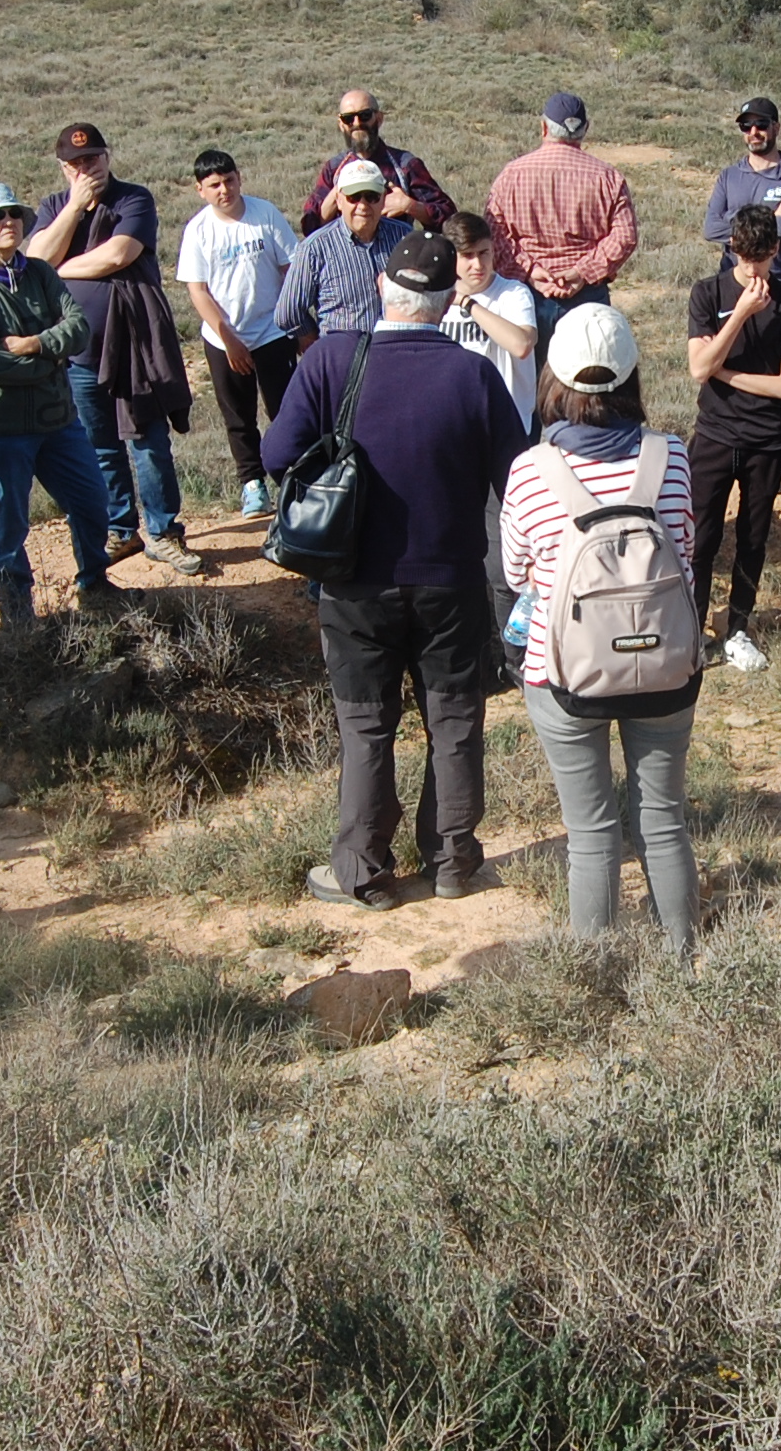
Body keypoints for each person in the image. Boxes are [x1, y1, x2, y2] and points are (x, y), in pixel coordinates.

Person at [263, 233, 531, 911]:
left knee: (366, 727)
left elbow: (275, 453)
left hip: (354, 583)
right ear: (448, 306)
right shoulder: (474, 374)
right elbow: (516, 476)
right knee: (454, 722)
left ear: (383, 288)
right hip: (452, 581)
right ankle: (450, 862)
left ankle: (363, 872)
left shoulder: (330, 360)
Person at [501, 307, 702, 956]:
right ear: (630, 375)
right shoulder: (668, 455)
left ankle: (596, 970)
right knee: (664, 823)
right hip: (666, 667)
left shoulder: (532, 469)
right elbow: (688, 551)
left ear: (555, 376)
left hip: (566, 672)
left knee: (591, 834)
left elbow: (516, 570)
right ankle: (683, 962)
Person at [26, 123, 202, 576]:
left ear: (108, 156)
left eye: (95, 159)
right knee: (99, 445)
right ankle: (121, 530)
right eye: (78, 163)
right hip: (79, 354)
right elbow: (34, 260)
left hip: (134, 347)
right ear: (64, 168)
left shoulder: (133, 198)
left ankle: (164, 532)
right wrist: (74, 209)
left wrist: (58, 269)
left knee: (148, 440)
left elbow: (118, 254)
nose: (88, 169)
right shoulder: (52, 207)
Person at [0, 181, 115, 629]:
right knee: (9, 526)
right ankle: (17, 617)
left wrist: (36, 344)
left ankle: (95, 585)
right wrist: (52, 360)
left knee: (92, 501)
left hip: (58, 420)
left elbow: (78, 326)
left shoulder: (41, 272)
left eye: (12, 215)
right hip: (3, 427)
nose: (7, 223)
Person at [684, 203, 781, 672]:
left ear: (776, 250)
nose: (753, 269)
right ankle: (693, 630)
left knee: (754, 539)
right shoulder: (707, 292)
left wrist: (725, 372)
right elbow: (698, 368)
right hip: (714, 435)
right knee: (701, 537)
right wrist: (739, 315)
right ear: (732, 249)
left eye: (762, 258)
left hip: (767, 440)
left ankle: (737, 628)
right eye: (745, 257)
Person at [175, 150, 300, 517]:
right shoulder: (198, 230)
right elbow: (198, 290)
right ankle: (252, 484)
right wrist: (226, 337)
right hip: (223, 337)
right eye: (214, 185)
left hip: (272, 331)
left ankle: (292, 478)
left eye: (229, 180)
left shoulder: (265, 214)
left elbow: (290, 268)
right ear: (200, 189)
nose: (224, 190)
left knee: (285, 409)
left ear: (239, 178)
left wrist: (296, 323)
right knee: (238, 415)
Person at [485, 92, 639, 349]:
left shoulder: (512, 175)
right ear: (585, 129)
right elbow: (625, 237)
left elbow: (495, 234)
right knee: (587, 380)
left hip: (525, 297)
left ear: (543, 127)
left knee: (529, 383)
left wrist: (531, 271)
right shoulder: (608, 178)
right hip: (587, 296)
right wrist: (581, 272)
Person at [278, 159, 415, 344]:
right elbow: (287, 313)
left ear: (383, 198)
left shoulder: (405, 238)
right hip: (343, 365)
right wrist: (320, 348)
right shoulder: (315, 248)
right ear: (339, 201)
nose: (363, 205)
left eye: (371, 196)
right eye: (354, 197)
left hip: (396, 355)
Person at [296, 88, 454, 235]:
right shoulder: (334, 169)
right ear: (341, 125)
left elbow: (450, 219)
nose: (357, 123)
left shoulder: (404, 166)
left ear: (379, 119)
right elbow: (310, 228)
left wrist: (410, 206)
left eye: (365, 115)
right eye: (348, 118)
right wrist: (335, 198)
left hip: (394, 258)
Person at [702, 97, 781, 297]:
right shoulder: (729, 176)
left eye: (761, 125)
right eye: (746, 126)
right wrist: (771, 216)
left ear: (776, 128)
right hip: (732, 282)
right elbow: (711, 229)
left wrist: (731, 218)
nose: (754, 132)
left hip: (779, 284)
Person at [441, 213, 540, 433]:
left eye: (483, 253)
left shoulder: (513, 293)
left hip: (505, 427)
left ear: (493, 250)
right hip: (454, 424)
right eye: (467, 255)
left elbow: (521, 344)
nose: (478, 264)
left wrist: (468, 304)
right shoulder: (437, 297)